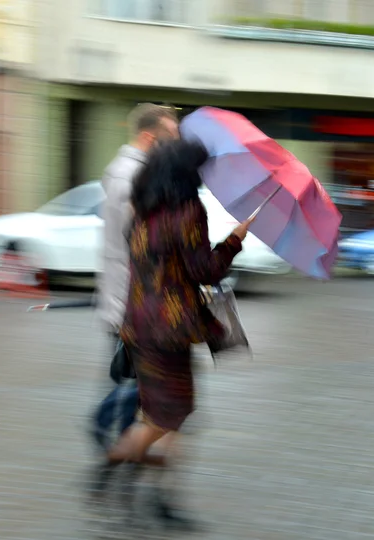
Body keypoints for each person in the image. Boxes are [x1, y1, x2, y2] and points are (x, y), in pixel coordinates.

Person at [96, 139, 254, 526]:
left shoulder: (141, 208)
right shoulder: (188, 210)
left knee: (161, 414)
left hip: (139, 323)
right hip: (170, 329)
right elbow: (204, 271)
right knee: (170, 415)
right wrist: (234, 241)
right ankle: (113, 466)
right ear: (188, 173)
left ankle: (157, 496)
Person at [97, 103, 179, 355]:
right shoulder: (129, 177)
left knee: (138, 389)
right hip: (134, 309)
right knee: (134, 391)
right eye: (170, 140)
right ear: (148, 137)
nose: (175, 146)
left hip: (143, 305)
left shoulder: (141, 173)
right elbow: (141, 241)